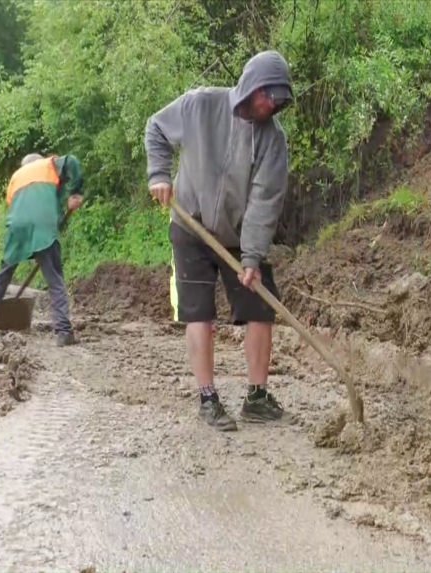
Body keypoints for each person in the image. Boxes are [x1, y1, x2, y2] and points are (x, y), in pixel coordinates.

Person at [144, 50, 292, 432]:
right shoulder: (200, 105)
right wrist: (159, 174)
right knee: (199, 313)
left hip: (239, 236)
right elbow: (156, 128)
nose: (272, 105)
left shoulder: (273, 140)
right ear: (251, 87)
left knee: (261, 308)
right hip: (190, 225)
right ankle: (208, 397)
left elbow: (264, 202)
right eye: (268, 96)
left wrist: (252, 257)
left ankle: (256, 397)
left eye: (278, 100)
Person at [0, 153, 83, 346]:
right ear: (39, 160)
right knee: (54, 279)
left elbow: (19, 207)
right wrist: (75, 192)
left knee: (2, 276)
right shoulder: (49, 164)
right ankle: (63, 332)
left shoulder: (16, 178)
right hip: (42, 225)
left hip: (16, 227)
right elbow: (72, 161)